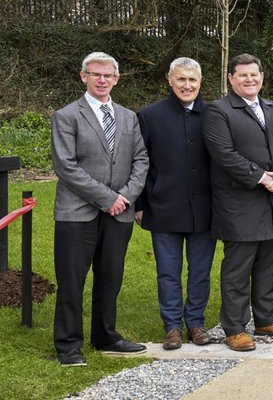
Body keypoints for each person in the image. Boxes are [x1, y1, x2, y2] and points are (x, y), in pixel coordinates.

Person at [50, 52, 149, 366]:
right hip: (76, 213)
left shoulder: (129, 117)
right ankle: (68, 345)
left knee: (110, 278)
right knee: (71, 281)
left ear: (116, 79)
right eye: (96, 74)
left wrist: (125, 197)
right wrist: (108, 198)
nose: (102, 80)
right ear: (84, 77)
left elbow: (141, 161)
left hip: (119, 214)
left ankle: (105, 335)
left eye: (108, 75)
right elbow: (65, 167)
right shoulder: (66, 116)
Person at [204, 53, 273, 352]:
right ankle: (234, 327)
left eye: (254, 75)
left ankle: (266, 319)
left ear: (262, 76)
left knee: (269, 266)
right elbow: (223, 153)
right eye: (242, 75)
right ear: (231, 78)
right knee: (237, 269)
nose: (249, 79)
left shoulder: (272, 109)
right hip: (239, 203)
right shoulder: (218, 111)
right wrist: (261, 177)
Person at [135, 57, 216, 350]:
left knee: (200, 270)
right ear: (169, 80)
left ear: (200, 82)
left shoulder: (214, 114)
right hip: (163, 206)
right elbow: (139, 164)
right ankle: (172, 327)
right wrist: (139, 204)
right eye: (181, 79)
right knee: (168, 271)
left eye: (192, 80)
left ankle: (195, 322)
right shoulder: (149, 116)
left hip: (205, 210)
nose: (187, 85)